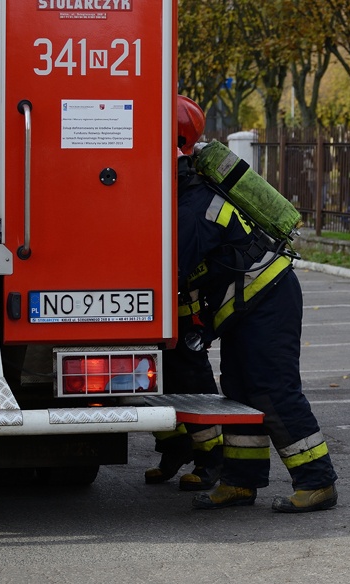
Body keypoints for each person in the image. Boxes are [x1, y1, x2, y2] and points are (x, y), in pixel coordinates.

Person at [173, 95, 339, 513]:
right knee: (241, 391)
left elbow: (173, 271)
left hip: (266, 300)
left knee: (272, 389)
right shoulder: (190, 193)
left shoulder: (192, 209)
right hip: (246, 304)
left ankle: (317, 482)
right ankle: (240, 481)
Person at [144, 96, 223, 493]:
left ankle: (211, 461)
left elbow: (180, 263)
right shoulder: (175, 189)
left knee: (192, 384)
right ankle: (172, 451)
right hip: (161, 309)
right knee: (157, 385)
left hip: (184, 310)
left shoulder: (192, 199)